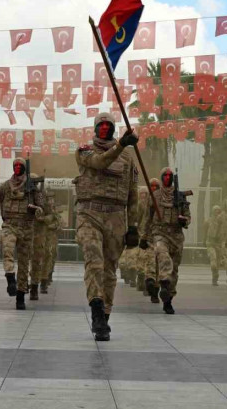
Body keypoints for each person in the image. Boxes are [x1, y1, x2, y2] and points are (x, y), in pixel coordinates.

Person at [74, 113, 140, 341]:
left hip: (116, 217)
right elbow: (100, 162)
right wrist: (122, 144)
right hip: (89, 214)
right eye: (100, 126)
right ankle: (96, 309)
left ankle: (105, 315)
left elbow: (133, 195)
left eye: (108, 126)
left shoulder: (129, 158)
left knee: (110, 270)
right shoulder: (85, 151)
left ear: (113, 129)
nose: (104, 129)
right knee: (94, 262)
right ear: (94, 129)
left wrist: (133, 226)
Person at [141, 167, 190, 315]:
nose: (168, 178)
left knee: (174, 270)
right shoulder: (154, 196)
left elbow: (188, 216)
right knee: (162, 255)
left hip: (176, 235)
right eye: (165, 176)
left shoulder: (180, 197)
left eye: (170, 176)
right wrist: (144, 236)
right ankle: (163, 281)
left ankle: (168, 299)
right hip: (159, 232)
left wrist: (184, 221)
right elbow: (147, 217)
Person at [0, 158, 44, 310]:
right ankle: (10, 278)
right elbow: (2, 206)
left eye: (20, 166)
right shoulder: (5, 186)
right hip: (10, 224)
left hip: (26, 227)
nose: (18, 168)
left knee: (24, 263)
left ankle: (20, 295)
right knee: (7, 250)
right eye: (15, 166)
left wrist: (35, 205)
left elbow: (41, 206)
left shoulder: (32, 187)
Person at [29, 181, 56, 301]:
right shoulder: (24, 196)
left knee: (40, 259)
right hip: (26, 233)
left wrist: (42, 219)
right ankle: (23, 284)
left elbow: (52, 217)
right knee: (24, 260)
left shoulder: (42, 199)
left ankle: (39, 283)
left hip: (41, 234)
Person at [142, 178, 161, 302]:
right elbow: (146, 219)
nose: (153, 188)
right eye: (151, 186)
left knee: (159, 265)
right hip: (150, 236)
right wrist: (143, 236)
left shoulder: (165, 199)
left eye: (156, 186)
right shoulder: (146, 202)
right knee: (149, 261)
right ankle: (149, 281)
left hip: (162, 237)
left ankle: (156, 290)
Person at [40, 190, 61, 295]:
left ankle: (47, 276)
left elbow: (59, 224)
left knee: (51, 256)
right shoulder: (42, 208)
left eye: (52, 199)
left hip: (51, 237)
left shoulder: (54, 211)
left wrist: (51, 226)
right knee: (40, 257)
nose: (51, 201)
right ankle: (38, 279)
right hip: (41, 236)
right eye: (49, 199)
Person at [205, 205, 224, 286]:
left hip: (219, 243)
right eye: (215, 210)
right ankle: (214, 275)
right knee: (213, 260)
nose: (217, 212)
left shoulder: (222, 221)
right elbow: (205, 231)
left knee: (218, 262)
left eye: (218, 210)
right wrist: (204, 240)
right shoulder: (208, 220)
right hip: (210, 242)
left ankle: (215, 278)